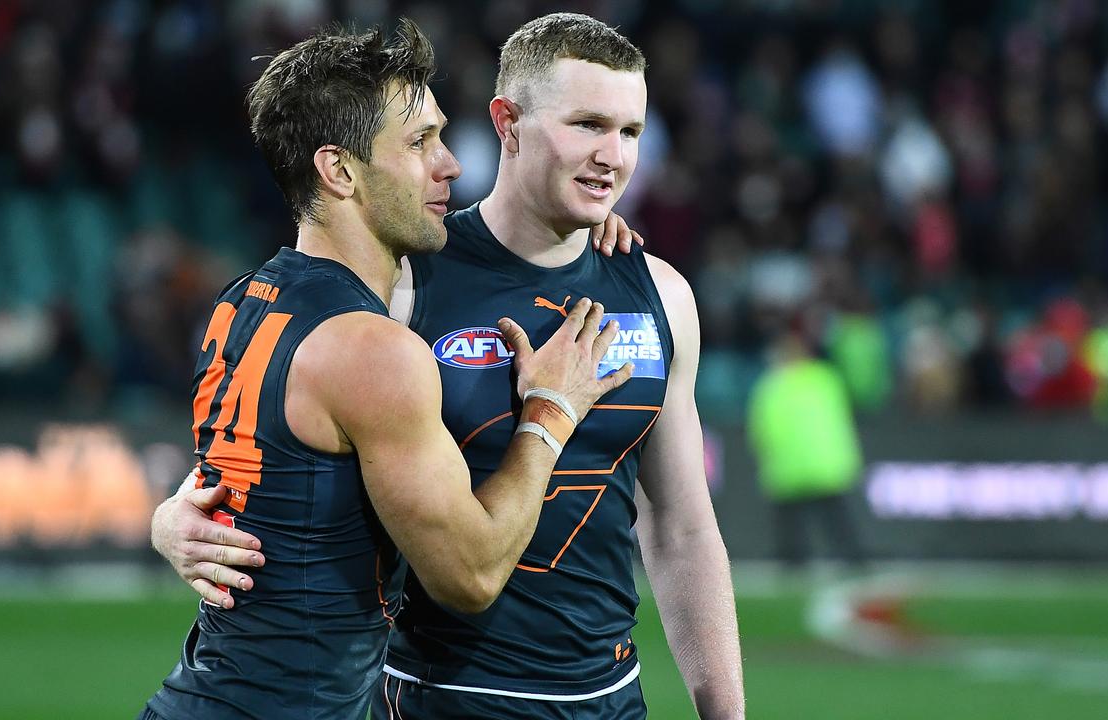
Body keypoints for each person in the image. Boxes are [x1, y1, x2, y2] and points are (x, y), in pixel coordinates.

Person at [154, 13, 745, 719]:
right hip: (438, 698)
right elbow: (288, 425)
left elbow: (681, 526)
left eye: (630, 132)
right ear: (508, 122)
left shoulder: (659, 297)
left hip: (610, 702)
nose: (612, 156)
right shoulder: (405, 279)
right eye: (588, 124)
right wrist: (174, 517)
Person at [748, 325, 867, 569]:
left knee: (792, 528)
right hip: (826, 464)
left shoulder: (770, 386)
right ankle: (855, 561)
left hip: (789, 468)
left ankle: (794, 568)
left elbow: (760, 429)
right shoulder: (826, 378)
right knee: (837, 521)